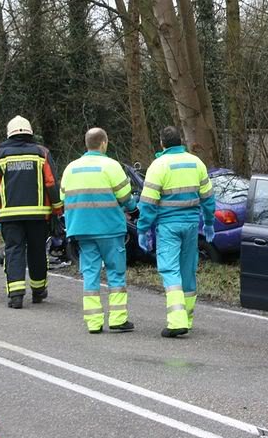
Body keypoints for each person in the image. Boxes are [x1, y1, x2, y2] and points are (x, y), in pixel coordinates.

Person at [137, 126, 215, 338]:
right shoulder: (196, 162)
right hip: (191, 225)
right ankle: (187, 319)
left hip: (168, 226)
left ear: (162, 143)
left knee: (170, 270)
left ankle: (176, 321)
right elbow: (208, 198)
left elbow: (148, 203)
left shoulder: (158, 166)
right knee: (187, 269)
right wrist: (209, 222)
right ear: (180, 141)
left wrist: (143, 229)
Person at [59, 128, 137, 334]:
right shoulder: (111, 166)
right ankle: (118, 319)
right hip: (109, 229)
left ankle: (93, 322)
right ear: (103, 143)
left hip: (82, 230)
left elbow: (62, 197)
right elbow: (126, 198)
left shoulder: (71, 168)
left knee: (91, 274)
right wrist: (133, 209)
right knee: (116, 272)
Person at [0, 115, 63, 309]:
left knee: (14, 251)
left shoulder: (0, 155)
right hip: (38, 215)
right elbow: (51, 183)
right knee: (37, 252)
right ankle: (38, 290)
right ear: (30, 132)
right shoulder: (41, 153)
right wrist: (58, 209)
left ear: (9, 133)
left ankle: (16, 295)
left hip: (10, 216)